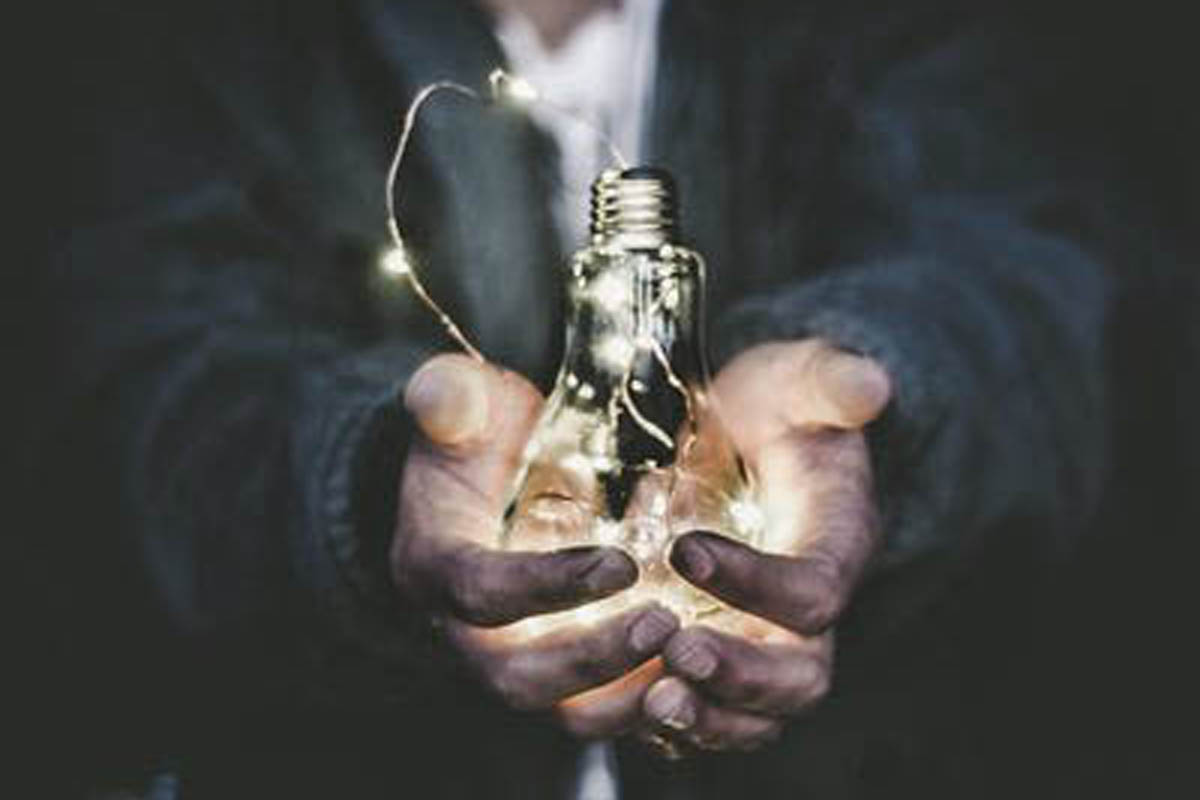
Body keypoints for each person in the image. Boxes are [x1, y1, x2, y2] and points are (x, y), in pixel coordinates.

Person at [18, 0, 1196, 797]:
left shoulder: (888, 33)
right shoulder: (205, 48)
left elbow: (1044, 269)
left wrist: (871, 402)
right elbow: (129, 373)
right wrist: (376, 483)